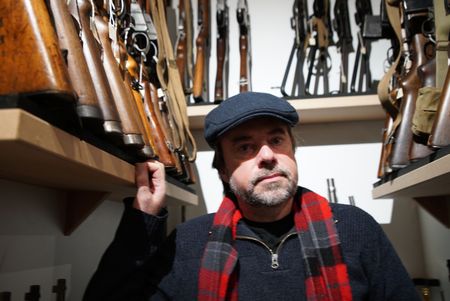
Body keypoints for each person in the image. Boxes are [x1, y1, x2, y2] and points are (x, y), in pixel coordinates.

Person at [83, 92, 420, 300]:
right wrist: (142, 220)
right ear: (224, 172)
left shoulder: (354, 228)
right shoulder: (189, 243)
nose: (267, 155)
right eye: (245, 147)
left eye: (277, 140)